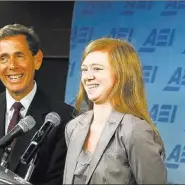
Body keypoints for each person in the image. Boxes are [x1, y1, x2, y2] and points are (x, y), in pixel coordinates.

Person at [0, 24, 75, 185]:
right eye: (4, 58)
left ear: (37, 60)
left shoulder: (63, 117)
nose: (12, 65)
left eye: (19, 56)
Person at [63, 38, 167, 184]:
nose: (88, 77)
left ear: (121, 74)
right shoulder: (74, 127)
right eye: (84, 69)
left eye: (97, 69)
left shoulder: (135, 131)